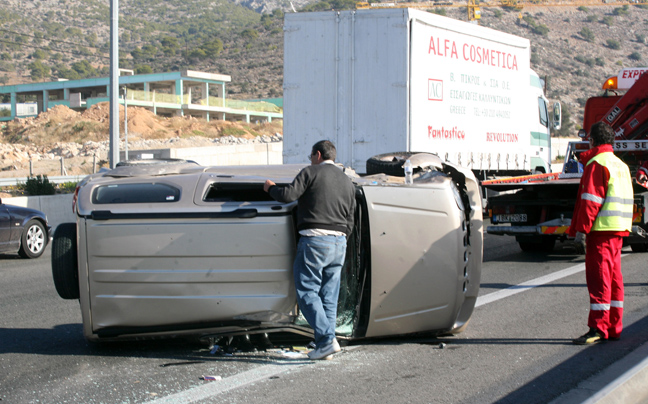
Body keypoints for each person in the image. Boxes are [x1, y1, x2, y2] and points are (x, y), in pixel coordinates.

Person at [263, 140, 356, 360]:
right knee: (329, 297)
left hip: (315, 241)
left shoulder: (311, 172)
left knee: (306, 292)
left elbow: (287, 196)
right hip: (339, 242)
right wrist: (340, 238)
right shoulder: (347, 181)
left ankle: (325, 340)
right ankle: (327, 343)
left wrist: (270, 188)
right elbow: (350, 218)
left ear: (317, 155)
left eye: (310, 156)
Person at [568, 122, 633, 345]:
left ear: (592, 141)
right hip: (618, 230)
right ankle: (613, 326)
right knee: (614, 280)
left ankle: (598, 328)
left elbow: (590, 202)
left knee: (599, 280)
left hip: (601, 231)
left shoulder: (597, 164)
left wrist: (581, 231)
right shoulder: (620, 165)